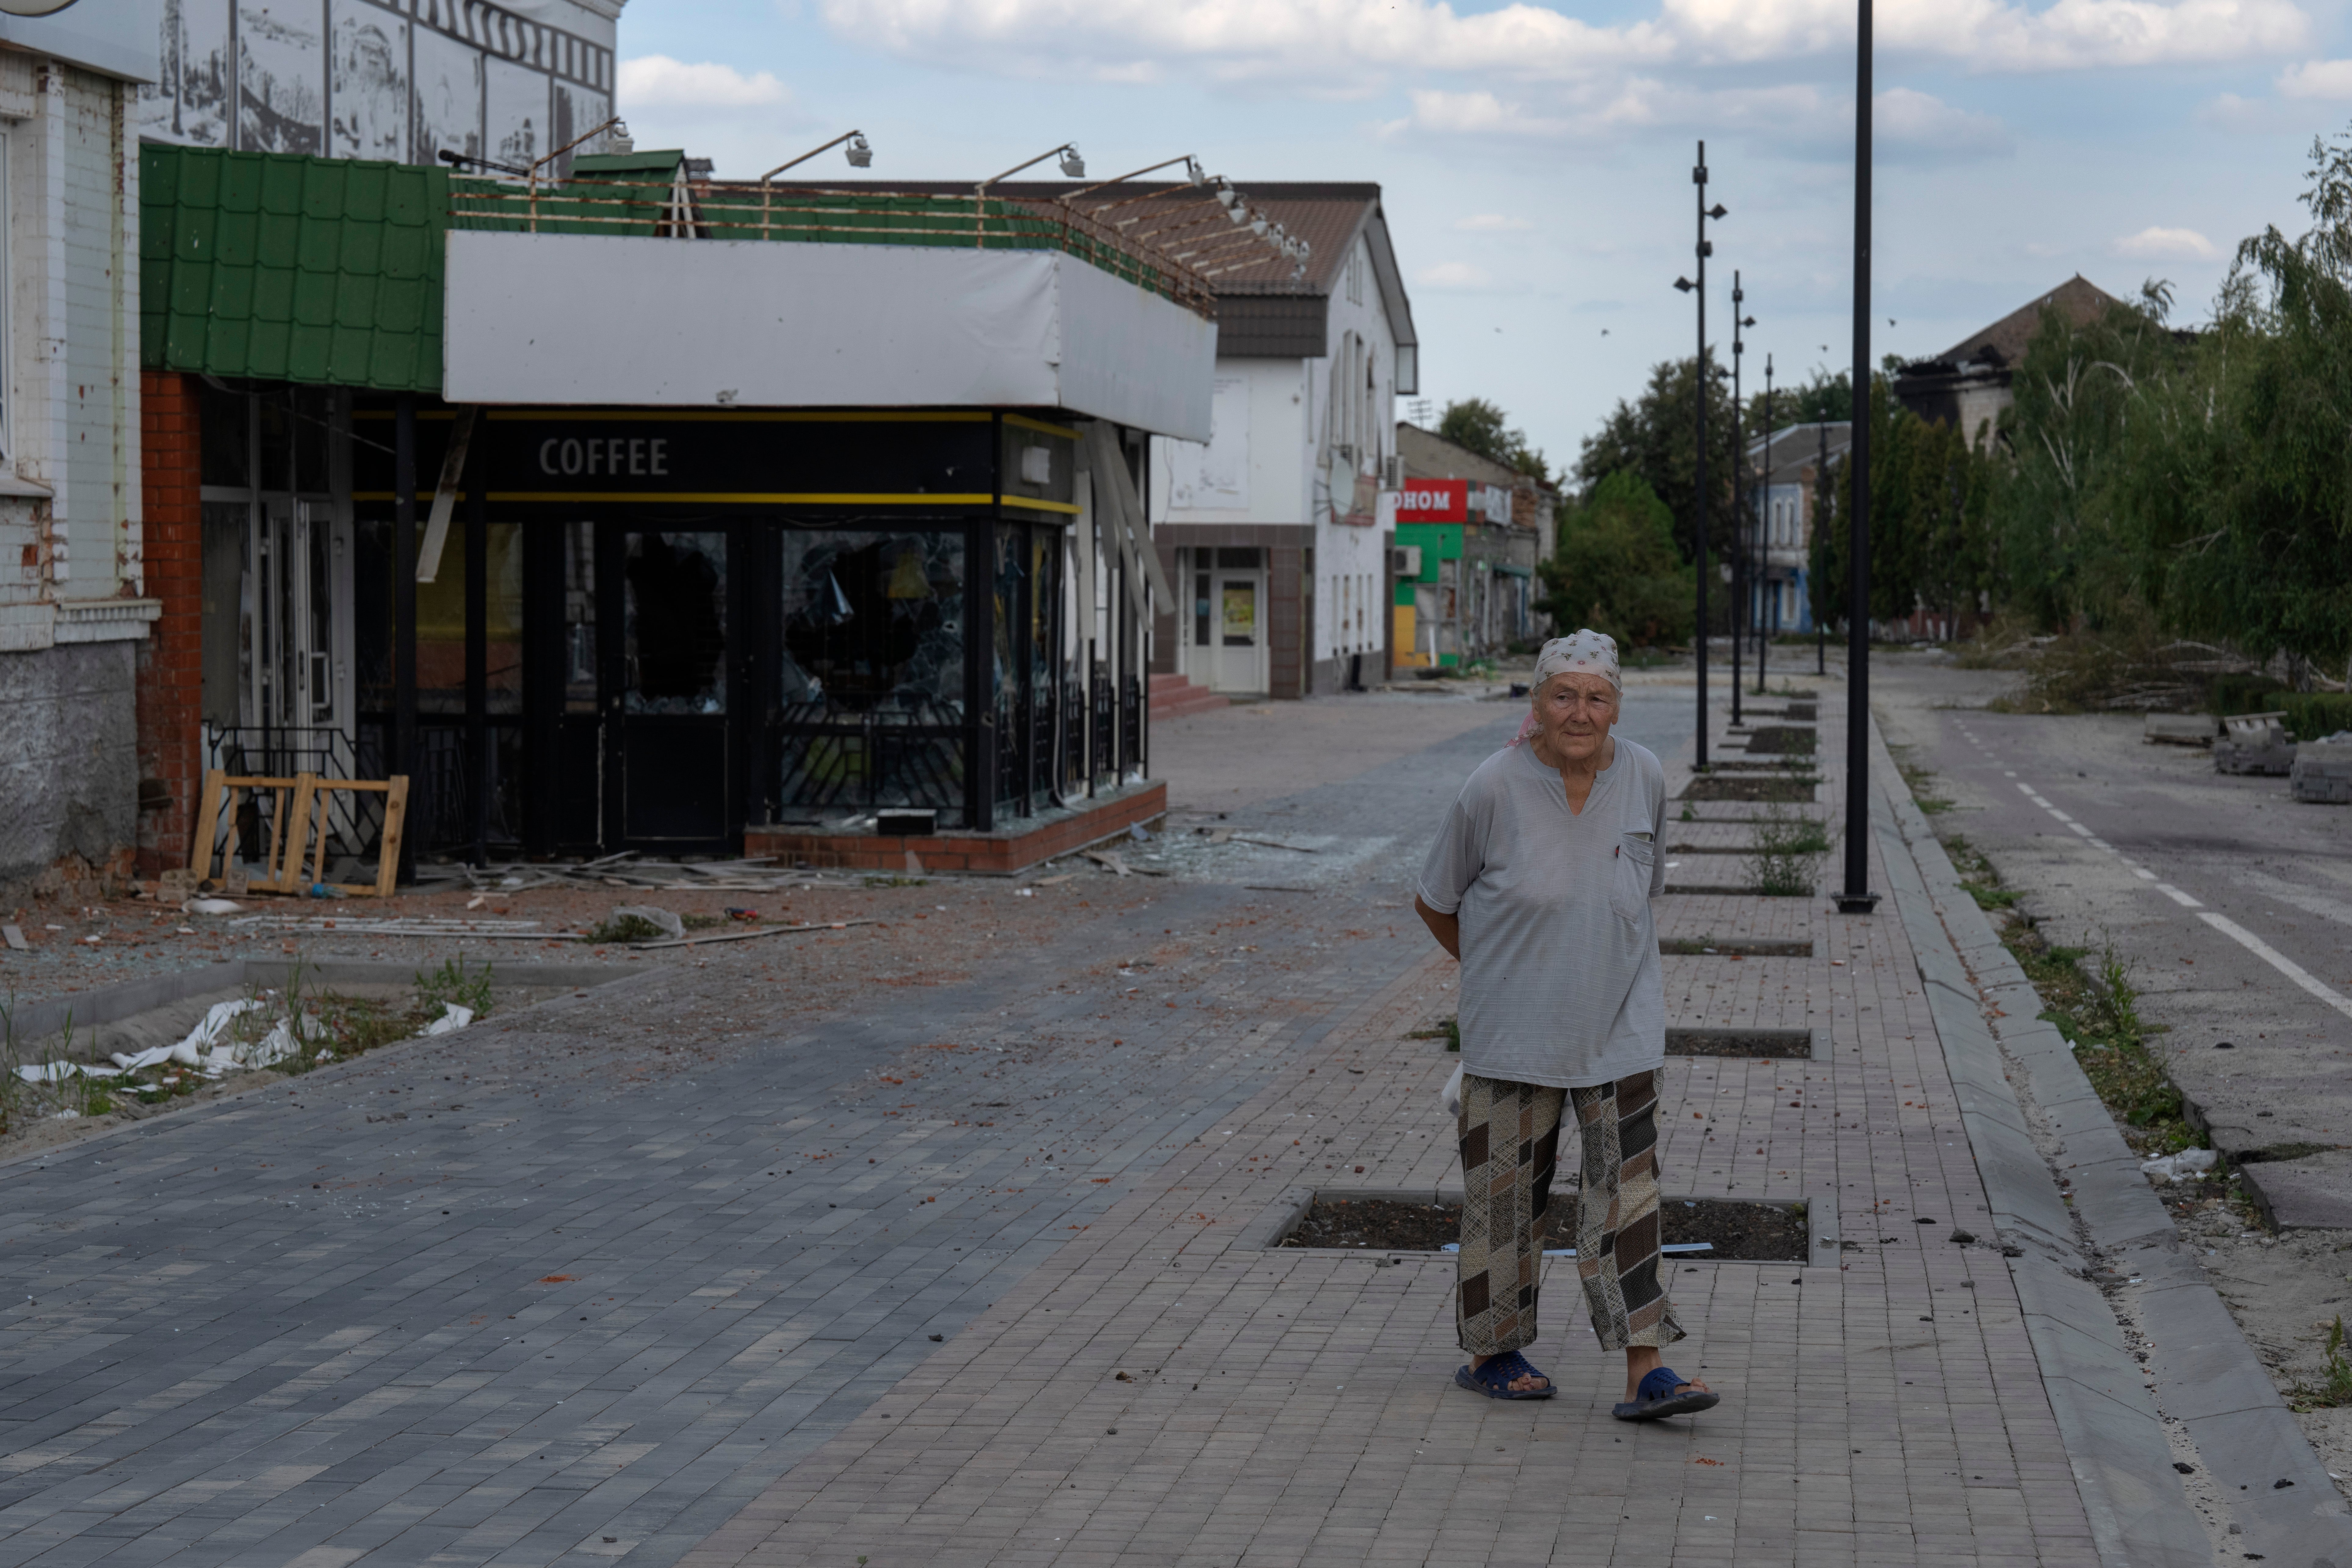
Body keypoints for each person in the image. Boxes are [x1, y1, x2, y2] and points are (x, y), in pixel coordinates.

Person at [1414, 630, 1720, 1421]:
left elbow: (1641, 888)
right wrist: (1497, 972)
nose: (1579, 712)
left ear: (1616, 705)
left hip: (1619, 1026)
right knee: (1505, 1200)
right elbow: (1434, 900)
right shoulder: (1491, 786)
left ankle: (1645, 1366)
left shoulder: (1645, 775)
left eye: (1596, 697)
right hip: (1512, 1033)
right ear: (1536, 704)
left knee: (1628, 1196)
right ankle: (1493, 1350)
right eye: (1563, 695)